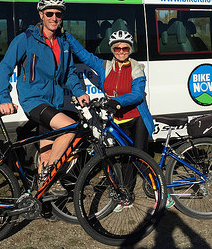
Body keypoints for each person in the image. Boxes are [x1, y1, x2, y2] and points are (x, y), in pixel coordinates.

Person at [65, 29, 175, 210]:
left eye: (125, 48)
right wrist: (66, 35)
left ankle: (163, 194)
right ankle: (126, 196)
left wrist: (115, 102)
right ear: (112, 49)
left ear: (130, 49)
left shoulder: (136, 68)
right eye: (117, 48)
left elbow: (137, 95)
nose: (121, 51)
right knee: (123, 158)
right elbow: (83, 54)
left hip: (137, 118)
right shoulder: (105, 66)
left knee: (140, 158)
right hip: (117, 121)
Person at [0, 0, 89, 196]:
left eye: (58, 14)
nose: (54, 17)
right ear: (41, 15)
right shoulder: (26, 39)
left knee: (46, 153)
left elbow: (70, 73)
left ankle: (41, 200)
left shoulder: (63, 42)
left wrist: (80, 92)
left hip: (53, 102)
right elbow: (5, 68)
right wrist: (4, 98)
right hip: (34, 100)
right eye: (49, 13)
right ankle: (49, 176)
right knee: (70, 128)